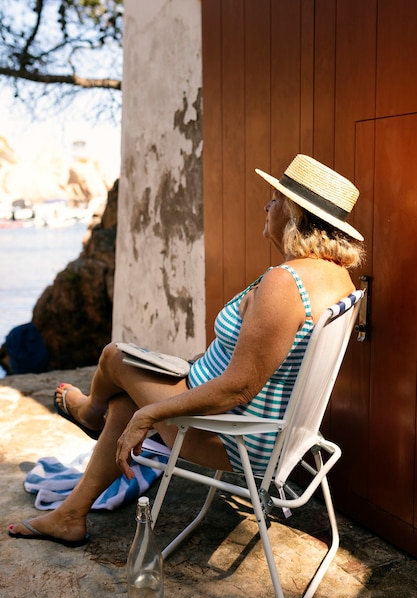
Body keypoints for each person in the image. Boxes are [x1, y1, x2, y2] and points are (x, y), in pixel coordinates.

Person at [8, 154, 364, 547]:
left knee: (114, 358)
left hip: (231, 436)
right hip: (268, 433)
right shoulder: (337, 278)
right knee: (127, 391)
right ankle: (70, 515)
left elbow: (237, 390)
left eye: (276, 200)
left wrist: (151, 413)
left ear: (295, 213)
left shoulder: (286, 283)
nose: (267, 206)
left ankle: (89, 412)